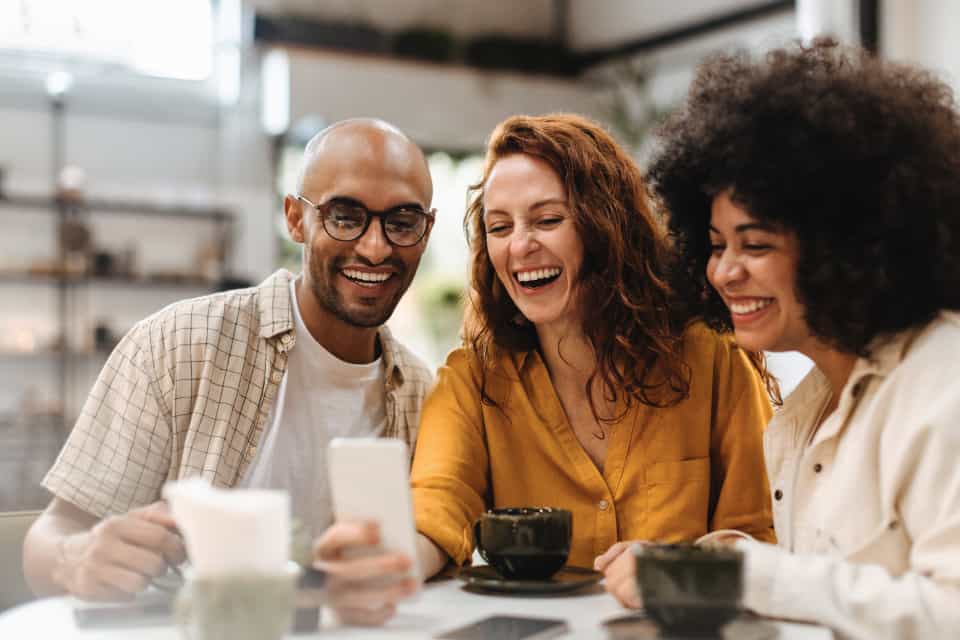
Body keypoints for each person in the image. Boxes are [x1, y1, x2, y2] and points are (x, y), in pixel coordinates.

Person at [602, 39, 960, 638]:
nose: (723, 271)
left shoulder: (942, 387)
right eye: (716, 245)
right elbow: (838, 585)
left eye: (756, 244)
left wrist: (752, 573)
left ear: (843, 246)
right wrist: (720, 561)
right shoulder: (808, 408)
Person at [23, 118, 435, 625]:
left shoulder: (423, 395)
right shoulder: (179, 345)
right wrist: (76, 559)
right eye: (345, 216)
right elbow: (49, 539)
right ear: (295, 219)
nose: (375, 247)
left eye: (403, 221)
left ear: (427, 230)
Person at [408, 113, 777, 582]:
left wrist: (677, 567)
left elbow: (761, 534)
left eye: (547, 220)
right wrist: (393, 564)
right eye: (499, 227)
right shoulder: (474, 379)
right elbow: (437, 505)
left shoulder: (712, 358)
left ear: (606, 227)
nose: (520, 246)